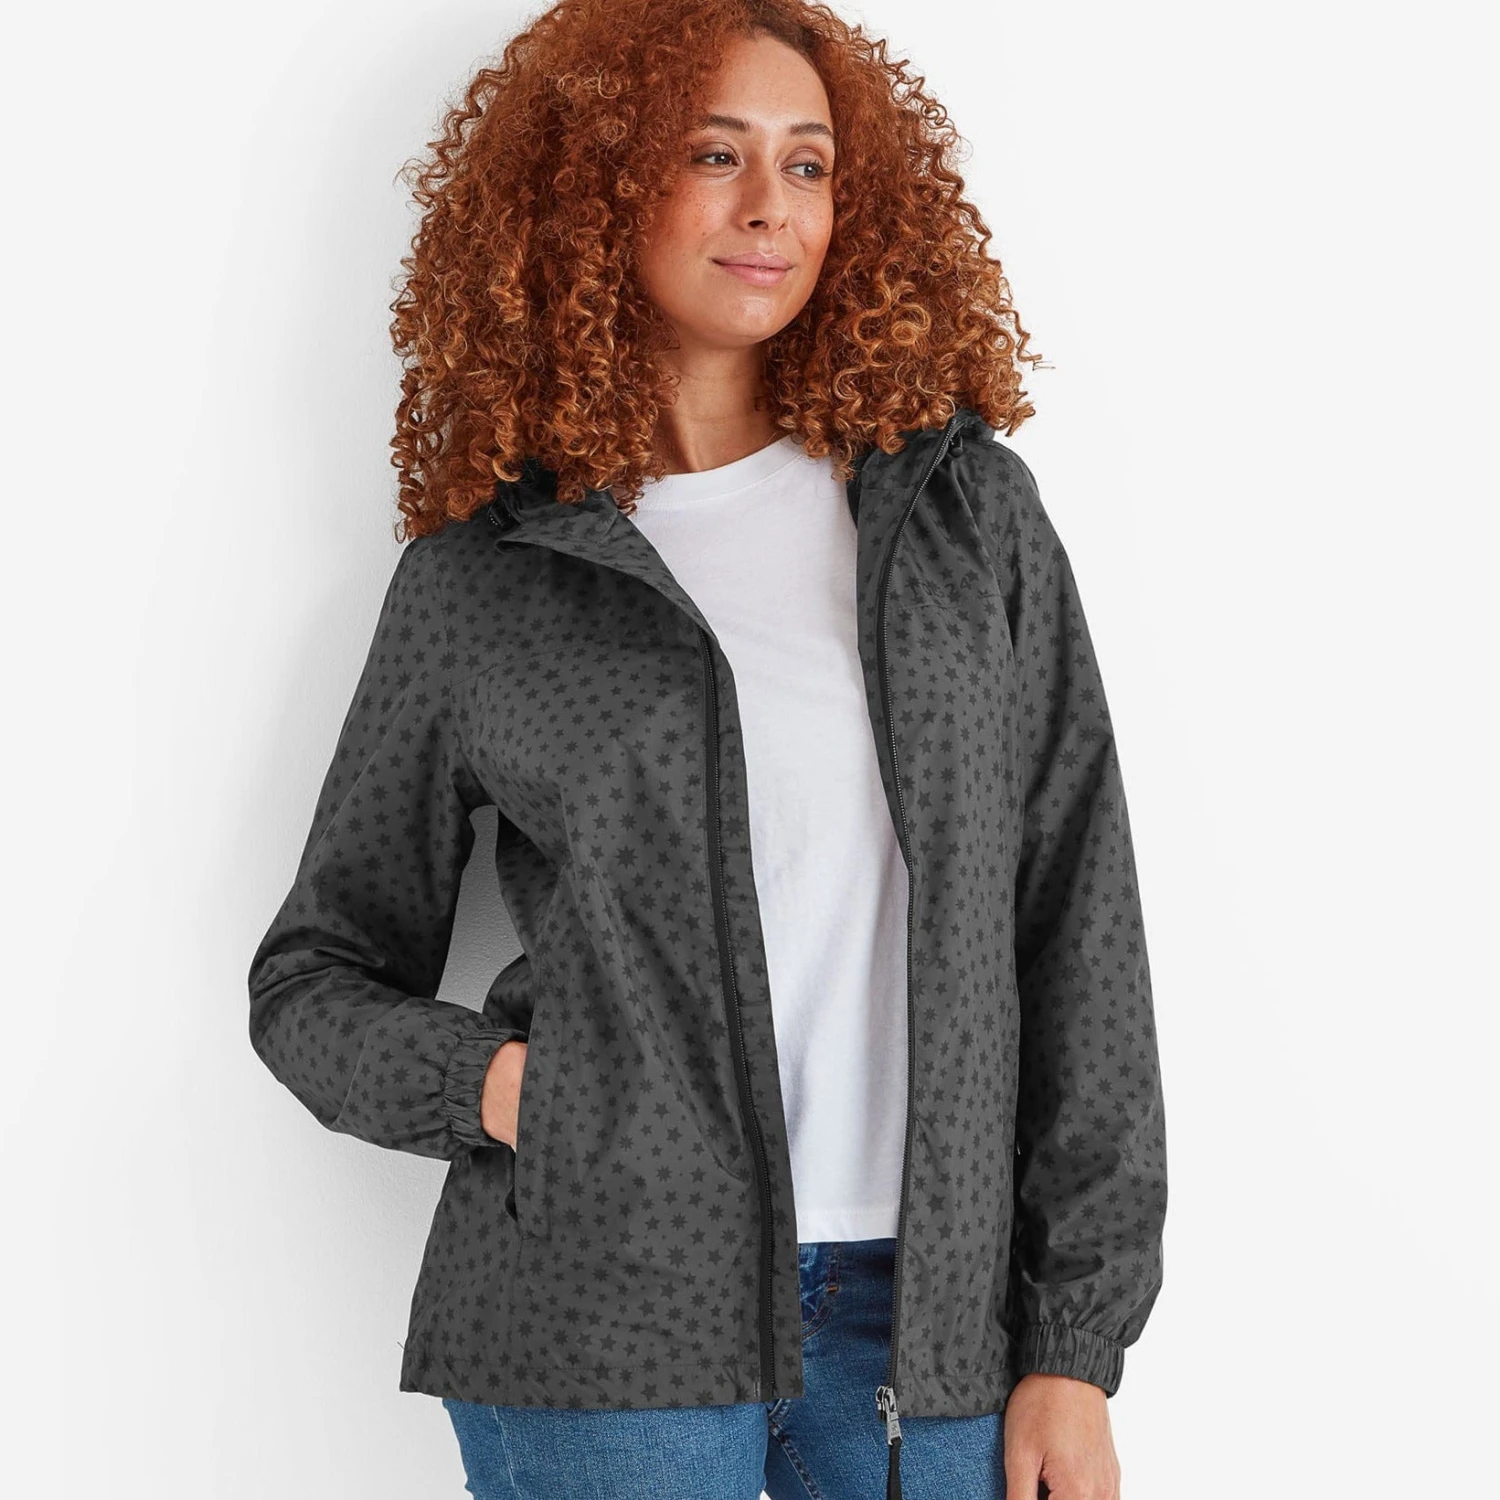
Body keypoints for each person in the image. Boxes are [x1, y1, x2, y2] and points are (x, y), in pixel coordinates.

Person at [246, 1, 1168, 1496]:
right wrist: (508, 1088)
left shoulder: (960, 516)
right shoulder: (489, 575)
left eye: (808, 165)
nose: (770, 207)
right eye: (714, 154)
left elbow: (1080, 920)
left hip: (932, 1325)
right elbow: (314, 975)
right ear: (596, 187)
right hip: (602, 1330)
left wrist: (1075, 1343)